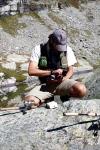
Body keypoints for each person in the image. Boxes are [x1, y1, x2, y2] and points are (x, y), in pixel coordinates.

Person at [24, 29, 87, 107]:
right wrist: (51, 72)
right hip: (45, 85)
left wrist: (64, 79)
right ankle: (45, 99)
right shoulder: (38, 49)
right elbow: (31, 71)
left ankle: (65, 98)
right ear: (51, 41)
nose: (60, 49)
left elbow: (70, 70)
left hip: (62, 82)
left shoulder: (67, 50)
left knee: (81, 90)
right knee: (31, 102)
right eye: (58, 46)